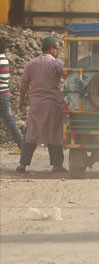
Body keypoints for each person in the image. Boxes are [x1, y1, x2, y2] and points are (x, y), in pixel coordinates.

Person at [17, 37, 67, 173]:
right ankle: (57, 165)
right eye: (57, 48)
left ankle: (22, 165)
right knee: (54, 133)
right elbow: (68, 78)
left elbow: (23, 85)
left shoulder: (31, 64)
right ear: (51, 48)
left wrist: (22, 101)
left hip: (36, 104)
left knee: (31, 133)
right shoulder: (57, 63)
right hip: (52, 104)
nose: (58, 51)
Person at [0, 39, 25, 151]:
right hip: (4, 94)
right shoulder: (4, 59)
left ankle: (22, 145)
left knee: (9, 121)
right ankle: (22, 145)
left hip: (1, 95)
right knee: (9, 120)